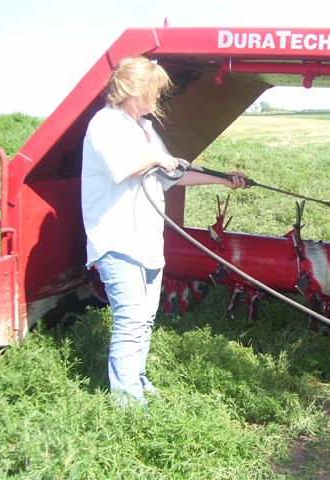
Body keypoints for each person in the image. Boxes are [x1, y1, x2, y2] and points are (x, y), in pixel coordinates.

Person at [81, 56, 248, 405]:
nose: (157, 98)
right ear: (134, 89)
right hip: (116, 241)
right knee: (130, 320)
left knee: (145, 319)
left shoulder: (145, 129)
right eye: (154, 90)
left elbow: (174, 175)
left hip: (146, 240)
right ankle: (127, 403)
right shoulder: (105, 125)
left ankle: (137, 380)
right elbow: (121, 168)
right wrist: (156, 158)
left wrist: (222, 180)